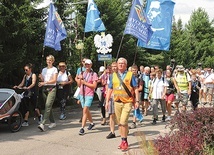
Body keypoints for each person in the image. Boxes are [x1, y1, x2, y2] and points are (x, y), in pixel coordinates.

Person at [105, 57, 139, 151]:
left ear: (126, 65)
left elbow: (135, 88)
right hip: (117, 102)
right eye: (119, 63)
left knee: (123, 122)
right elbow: (110, 89)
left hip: (127, 102)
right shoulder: (113, 75)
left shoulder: (130, 75)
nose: (120, 65)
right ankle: (123, 140)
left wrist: (137, 101)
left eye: (123, 63)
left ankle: (124, 141)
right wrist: (107, 101)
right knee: (120, 123)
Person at [76, 59, 98, 135]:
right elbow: (79, 85)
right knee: (86, 110)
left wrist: (85, 82)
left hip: (89, 94)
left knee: (85, 110)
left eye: (88, 64)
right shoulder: (82, 73)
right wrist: (79, 79)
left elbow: (94, 86)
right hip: (82, 94)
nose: (87, 66)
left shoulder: (94, 74)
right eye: (86, 64)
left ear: (91, 65)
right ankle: (91, 123)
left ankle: (82, 128)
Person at [38, 55, 58, 131]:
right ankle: (53, 122)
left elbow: (54, 80)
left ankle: (42, 123)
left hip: (51, 88)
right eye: (47, 60)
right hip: (44, 89)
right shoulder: (44, 70)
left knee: (47, 105)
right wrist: (41, 78)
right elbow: (43, 80)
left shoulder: (54, 69)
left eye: (50, 60)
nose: (48, 61)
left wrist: (44, 82)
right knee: (48, 106)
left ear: (52, 61)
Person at [106, 62, 117, 139]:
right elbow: (109, 88)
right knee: (111, 114)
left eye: (115, 66)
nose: (114, 68)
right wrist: (107, 100)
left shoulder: (124, 75)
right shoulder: (111, 76)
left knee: (120, 116)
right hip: (112, 97)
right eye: (112, 67)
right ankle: (112, 132)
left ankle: (124, 128)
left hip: (121, 98)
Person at [129, 65, 143, 129]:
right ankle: (140, 117)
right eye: (132, 70)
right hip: (129, 95)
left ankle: (134, 122)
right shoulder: (128, 77)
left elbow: (140, 87)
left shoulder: (139, 78)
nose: (134, 72)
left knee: (135, 108)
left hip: (137, 95)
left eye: (135, 70)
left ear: (137, 70)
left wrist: (135, 90)